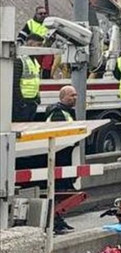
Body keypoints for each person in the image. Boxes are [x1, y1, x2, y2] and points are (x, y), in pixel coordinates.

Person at [43, 85, 78, 233]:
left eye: (76, 95)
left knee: (61, 190)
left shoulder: (65, 111)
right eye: (72, 96)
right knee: (58, 191)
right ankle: (55, 222)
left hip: (63, 156)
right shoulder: (58, 113)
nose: (75, 98)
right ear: (62, 97)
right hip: (59, 157)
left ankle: (58, 220)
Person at [12, 33, 44, 122]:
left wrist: (37, 98)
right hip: (23, 104)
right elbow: (14, 84)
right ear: (30, 44)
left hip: (32, 102)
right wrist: (20, 103)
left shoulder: (34, 60)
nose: (40, 48)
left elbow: (35, 81)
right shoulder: (20, 60)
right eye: (39, 45)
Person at [17, 6, 54, 79]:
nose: (43, 15)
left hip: (46, 48)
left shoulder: (50, 23)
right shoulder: (30, 23)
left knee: (47, 64)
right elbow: (22, 35)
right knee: (34, 66)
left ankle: (46, 79)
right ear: (36, 14)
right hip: (33, 49)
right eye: (40, 13)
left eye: (45, 13)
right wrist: (19, 44)